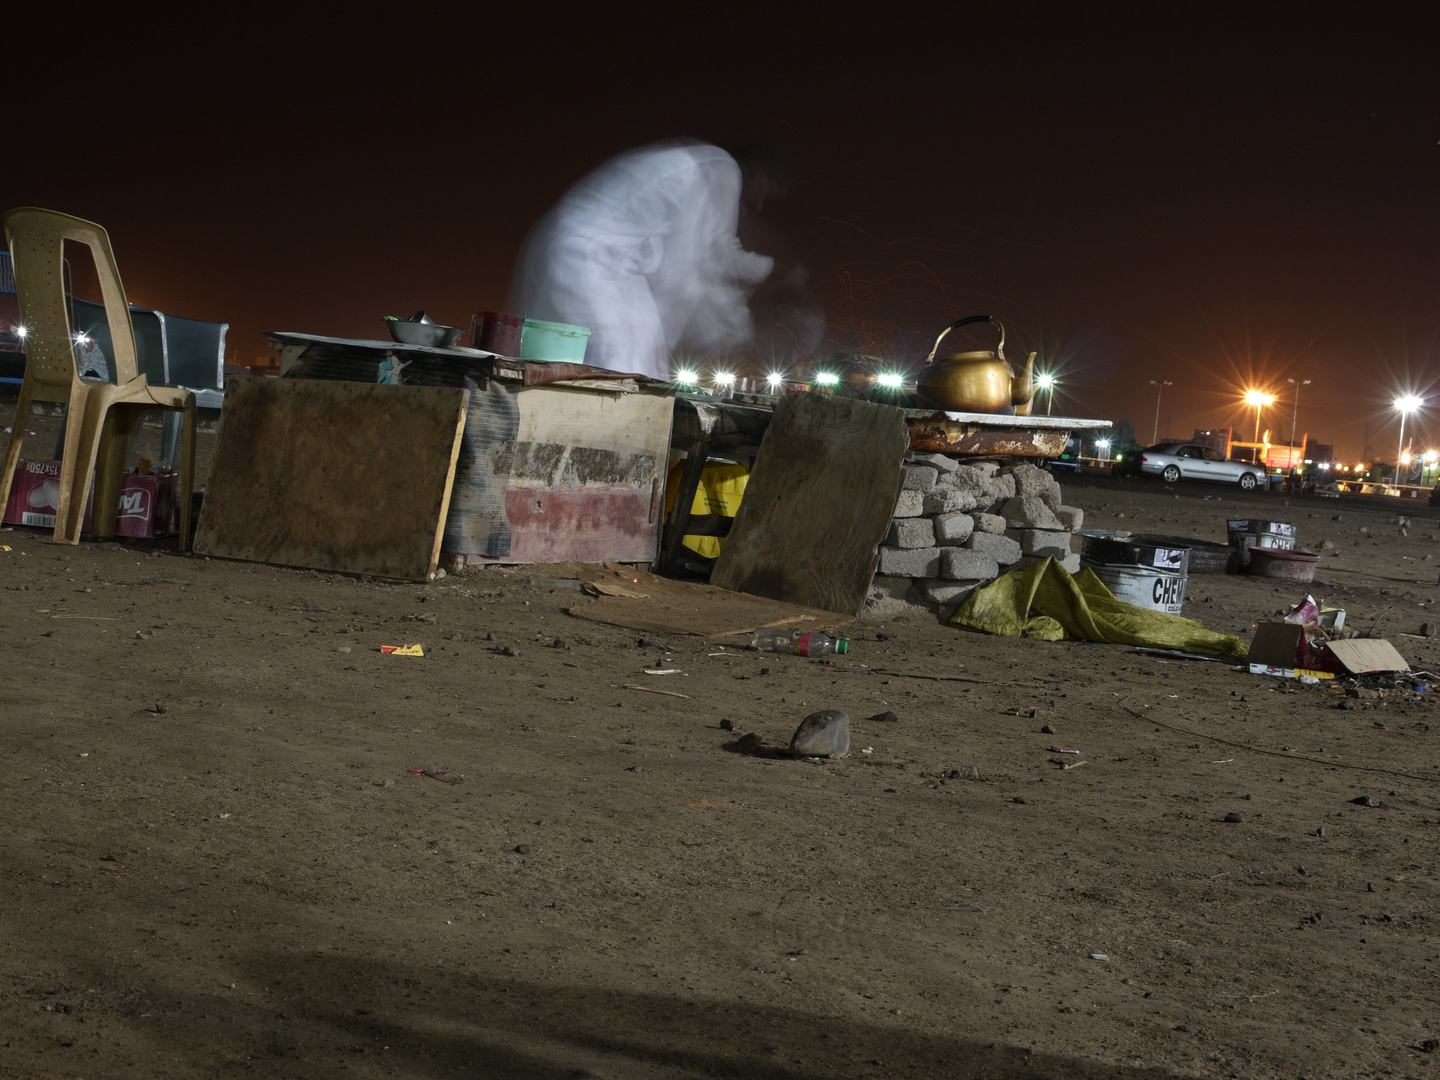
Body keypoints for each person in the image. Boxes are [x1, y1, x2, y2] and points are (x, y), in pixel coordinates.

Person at [511, 140, 779, 381]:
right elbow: (690, 269)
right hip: (591, 264)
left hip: (571, 253)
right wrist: (737, 323)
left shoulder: (695, 166)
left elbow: (714, 255)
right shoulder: (721, 171)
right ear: (758, 173)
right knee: (625, 376)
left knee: (562, 372)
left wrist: (762, 270)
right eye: (766, 192)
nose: (758, 204)